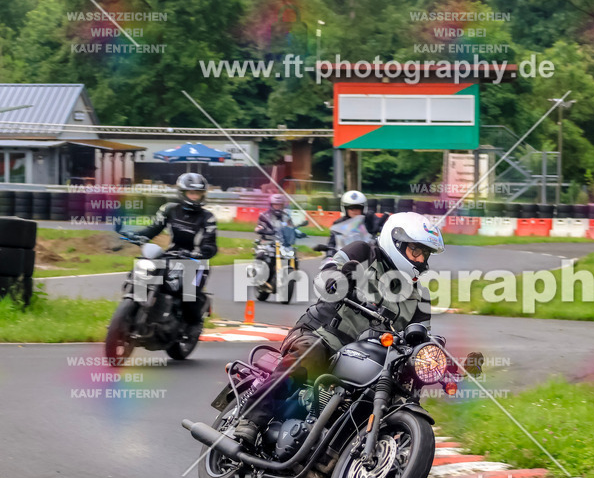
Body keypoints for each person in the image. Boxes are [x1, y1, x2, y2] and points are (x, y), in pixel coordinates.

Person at [233, 212, 445, 442]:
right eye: (416, 250)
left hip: (370, 359)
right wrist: (337, 278)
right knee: (310, 354)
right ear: (397, 243)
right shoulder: (363, 253)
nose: (420, 259)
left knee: (397, 393)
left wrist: (435, 358)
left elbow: (421, 337)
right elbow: (329, 270)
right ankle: (252, 419)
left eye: (425, 254)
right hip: (322, 334)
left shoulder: (419, 296)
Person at [132, 172, 217, 335]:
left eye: (198, 193)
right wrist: (137, 236)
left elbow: (210, 243)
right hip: (171, 256)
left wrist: (203, 252)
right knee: (144, 270)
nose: (195, 197)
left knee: (189, 293)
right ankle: (135, 310)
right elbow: (153, 228)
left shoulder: (208, 217)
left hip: (196, 262)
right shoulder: (170, 209)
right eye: (191, 193)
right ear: (182, 193)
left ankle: (193, 325)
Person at [321, 190, 387, 253]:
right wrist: (329, 254)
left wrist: (379, 229)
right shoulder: (339, 223)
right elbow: (332, 243)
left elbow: (384, 231)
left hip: (368, 253)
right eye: (351, 208)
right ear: (345, 209)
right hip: (345, 255)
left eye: (358, 208)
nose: (354, 211)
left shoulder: (370, 218)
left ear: (363, 208)